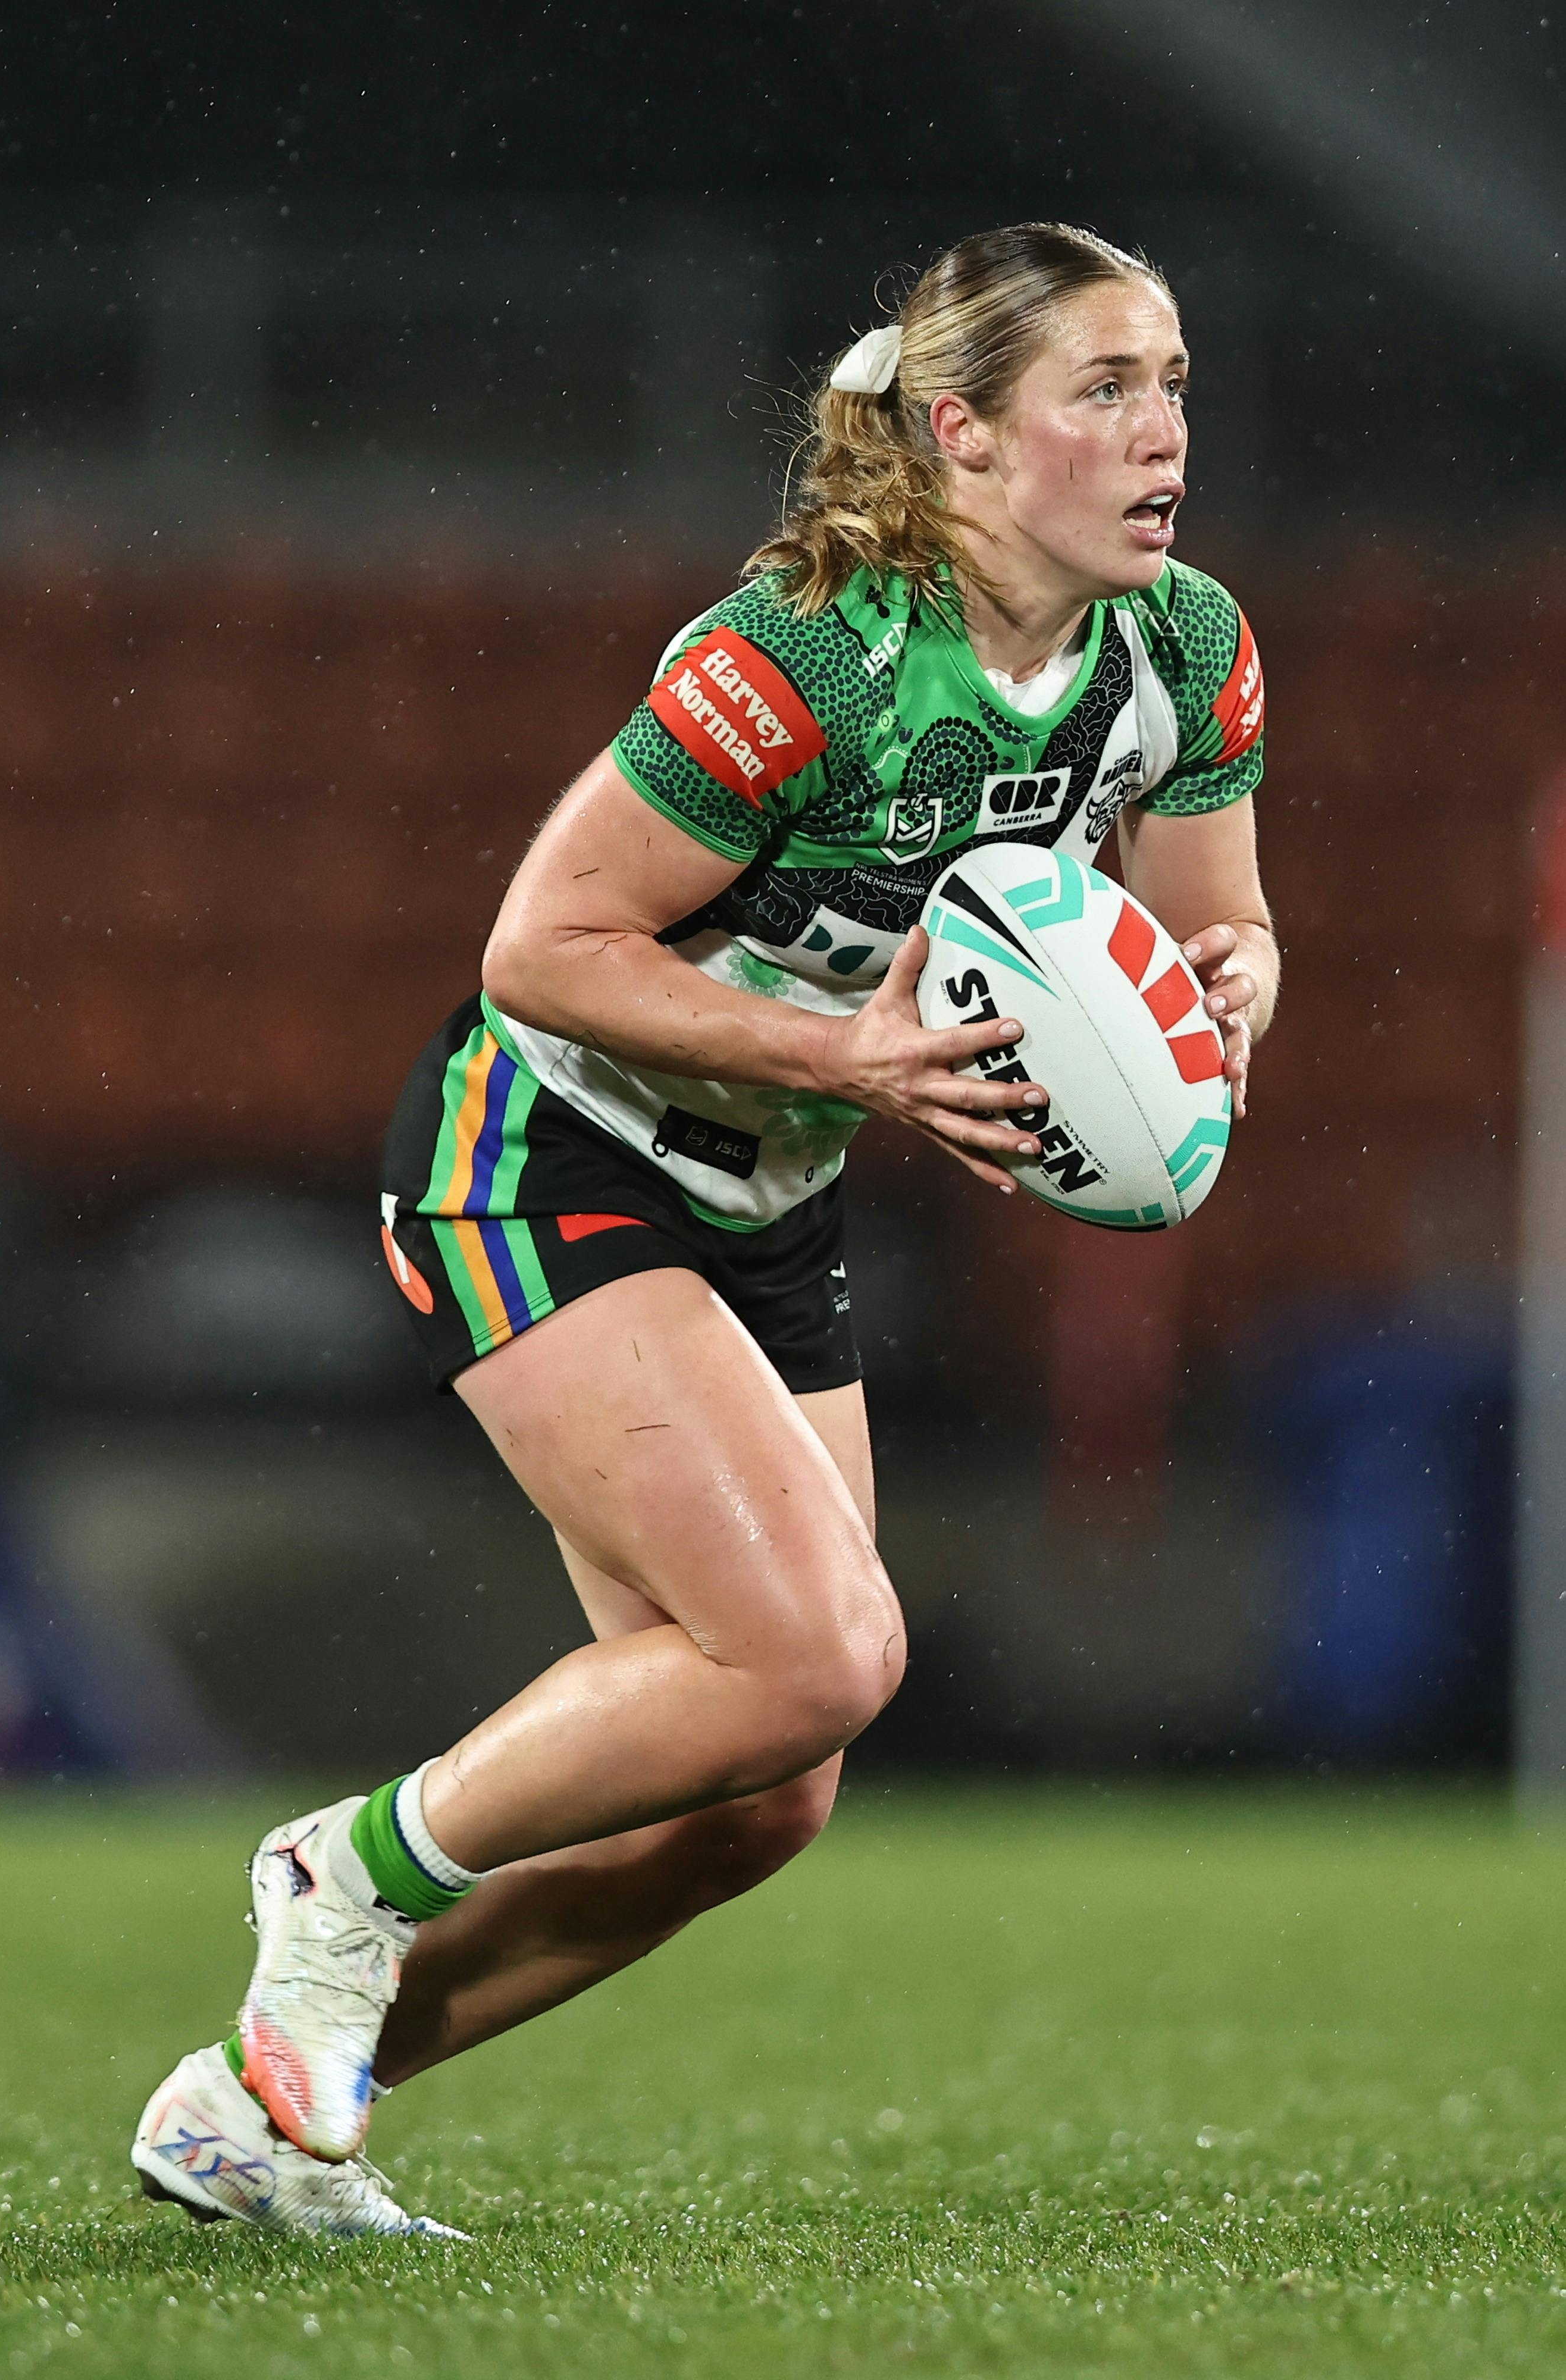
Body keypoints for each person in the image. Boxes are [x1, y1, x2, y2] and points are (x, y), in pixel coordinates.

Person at [131, 220, 1277, 2235]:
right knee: (821, 1654)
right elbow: (542, 946)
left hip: (767, 1192)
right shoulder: (802, 662)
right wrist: (849, 1057)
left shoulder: (1180, 645)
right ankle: (345, 1873)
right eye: (1101, 387)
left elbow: (1218, 918)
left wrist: (1231, 987)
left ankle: (260, 2116)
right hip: (544, 1157)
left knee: (763, 1792)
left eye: (1170, 382)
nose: (1160, 429)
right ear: (962, 432)